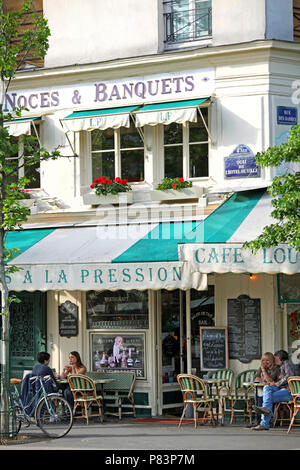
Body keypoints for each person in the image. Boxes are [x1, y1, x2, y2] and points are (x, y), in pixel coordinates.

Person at [252, 350, 297, 431]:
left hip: (290, 391)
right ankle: (267, 412)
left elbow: (289, 377)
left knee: (267, 399)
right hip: (282, 389)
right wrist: (274, 384)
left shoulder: (287, 363)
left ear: (280, 358)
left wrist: (276, 384)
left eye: (275, 358)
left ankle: (264, 423)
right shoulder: (281, 366)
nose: (274, 360)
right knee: (267, 388)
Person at [248, 352, 279, 427]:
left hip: (274, 389)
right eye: (263, 360)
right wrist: (261, 376)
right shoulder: (262, 368)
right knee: (258, 391)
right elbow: (256, 378)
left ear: (271, 361)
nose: (265, 362)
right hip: (262, 389)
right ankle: (258, 419)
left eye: (267, 360)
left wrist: (263, 371)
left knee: (261, 393)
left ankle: (261, 419)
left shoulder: (276, 368)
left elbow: (269, 381)